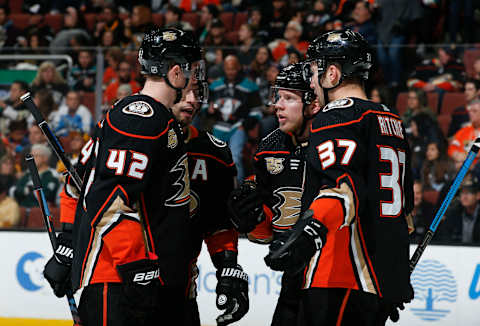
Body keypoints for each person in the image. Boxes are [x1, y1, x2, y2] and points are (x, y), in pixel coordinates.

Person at [42, 28, 206, 326]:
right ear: (175, 71)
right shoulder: (140, 119)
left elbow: (79, 182)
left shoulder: (149, 117)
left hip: (132, 278)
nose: (195, 76)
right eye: (192, 69)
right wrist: (136, 267)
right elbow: (110, 201)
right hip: (117, 278)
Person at [268, 30, 414, 325]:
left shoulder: (336, 115)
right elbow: (404, 212)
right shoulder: (390, 119)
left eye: (314, 71)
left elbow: (342, 190)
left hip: (342, 272)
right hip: (380, 277)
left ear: (332, 73)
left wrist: (305, 234)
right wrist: (392, 275)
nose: (311, 81)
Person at [228, 63, 320, 326]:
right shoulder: (270, 146)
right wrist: (251, 218)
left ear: (313, 104)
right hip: (293, 278)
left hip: (333, 275)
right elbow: (266, 230)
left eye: (288, 98)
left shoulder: (333, 145)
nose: (277, 105)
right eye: (277, 97)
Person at [170, 85, 249, 326]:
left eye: (196, 94)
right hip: (126, 285)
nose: (192, 101)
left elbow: (218, 222)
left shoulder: (213, 153)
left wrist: (228, 266)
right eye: (183, 94)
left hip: (180, 291)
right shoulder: (130, 137)